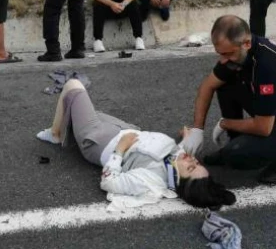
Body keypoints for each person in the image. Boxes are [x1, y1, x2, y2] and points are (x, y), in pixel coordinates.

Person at [36, 79, 236, 210]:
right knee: (80, 109)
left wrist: (120, 149)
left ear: (178, 181)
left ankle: (55, 134)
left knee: (73, 86)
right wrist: (185, 137)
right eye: (197, 163)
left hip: (98, 141)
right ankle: (66, 130)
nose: (192, 160)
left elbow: (109, 182)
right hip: (122, 130)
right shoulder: (176, 161)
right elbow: (175, 153)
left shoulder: (151, 180)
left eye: (191, 167)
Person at [182, 15, 276, 184]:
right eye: (220, 53)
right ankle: (236, 140)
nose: (222, 60)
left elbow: (263, 128)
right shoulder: (241, 51)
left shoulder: (267, 67)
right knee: (225, 84)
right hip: (273, 111)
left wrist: (225, 123)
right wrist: (197, 129)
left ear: (246, 43)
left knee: (236, 155)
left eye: (228, 53)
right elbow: (207, 86)